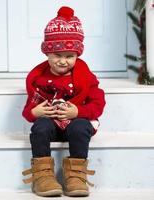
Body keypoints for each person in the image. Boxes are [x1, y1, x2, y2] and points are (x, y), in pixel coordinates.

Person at [21, 6, 106, 197]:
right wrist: (35, 113)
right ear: (47, 54)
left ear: (77, 55)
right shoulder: (39, 79)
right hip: (51, 125)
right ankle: (43, 175)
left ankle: (76, 175)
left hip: (74, 123)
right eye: (57, 55)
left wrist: (78, 112)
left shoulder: (85, 77)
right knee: (40, 128)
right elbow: (28, 111)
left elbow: (97, 104)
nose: (63, 61)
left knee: (80, 127)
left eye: (70, 56)